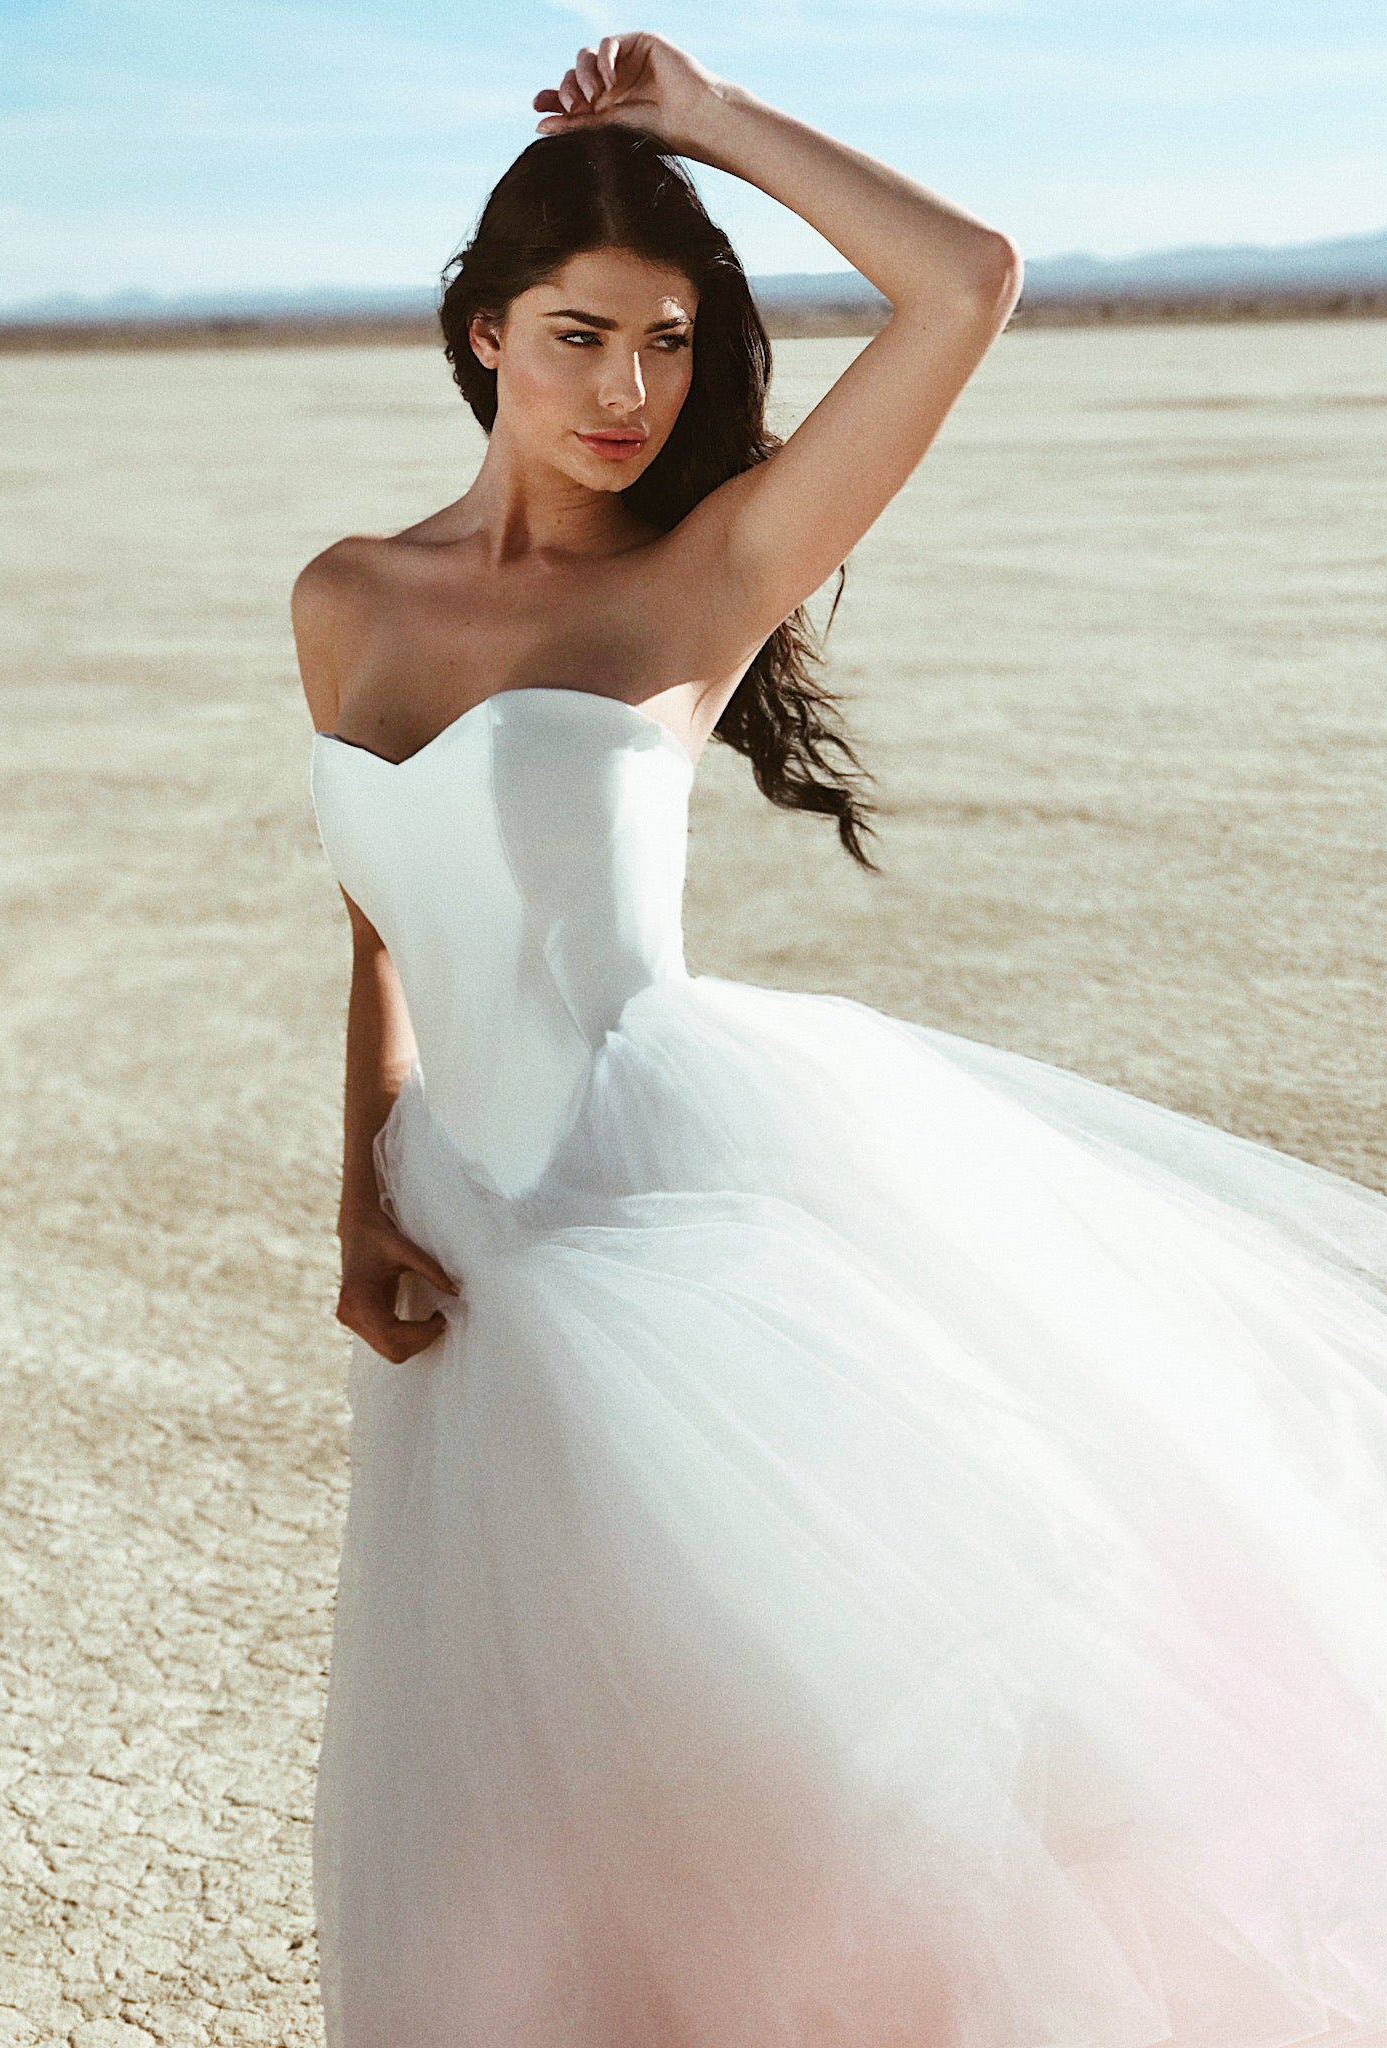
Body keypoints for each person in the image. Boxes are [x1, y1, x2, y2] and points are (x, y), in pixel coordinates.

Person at [291, 32, 1387, 2048]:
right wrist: (358, 1184)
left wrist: (705, 120)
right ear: (481, 331)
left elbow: (968, 280)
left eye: (672, 343)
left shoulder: (707, 573)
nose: (630, 392)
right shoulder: (348, 598)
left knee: (800, 1817)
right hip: (470, 1263)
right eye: (580, 335)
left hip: (666, 1236)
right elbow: (377, 915)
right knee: (528, 1851)